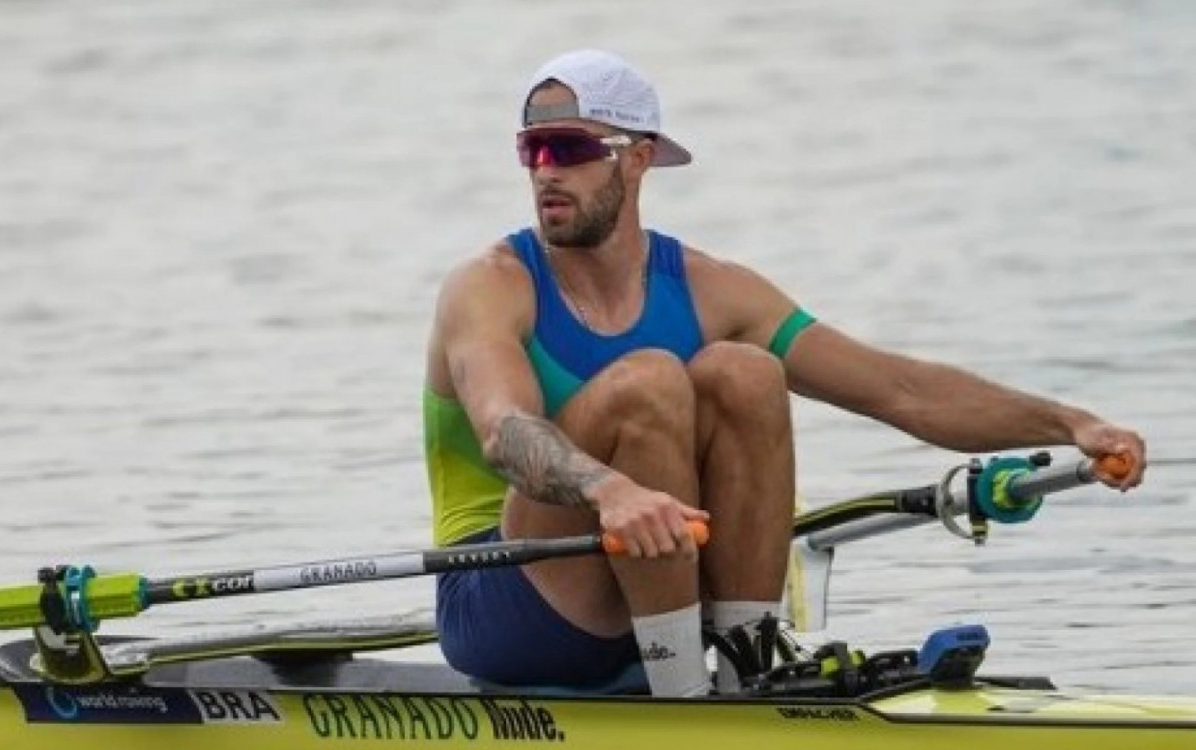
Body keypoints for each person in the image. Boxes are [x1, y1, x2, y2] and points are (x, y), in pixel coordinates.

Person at [422, 49, 1147, 698]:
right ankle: (683, 696)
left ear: (638, 158)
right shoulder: (489, 285)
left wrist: (1070, 424)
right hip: (509, 599)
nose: (545, 169)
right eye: (531, 149)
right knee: (649, 382)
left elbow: (900, 390)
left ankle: (747, 659)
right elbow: (505, 431)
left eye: (571, 147)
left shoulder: (712, 288)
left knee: (746, 372)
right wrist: (608, 490)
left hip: (652, 584)